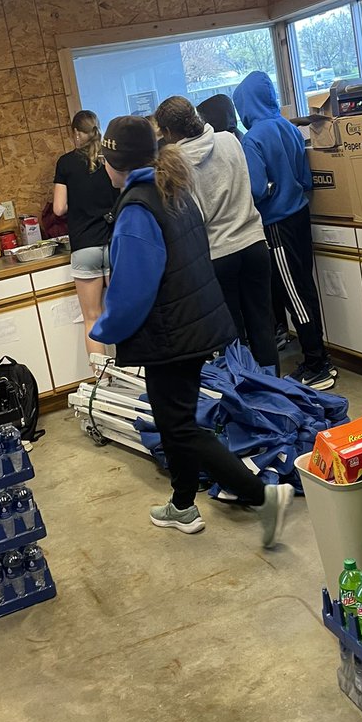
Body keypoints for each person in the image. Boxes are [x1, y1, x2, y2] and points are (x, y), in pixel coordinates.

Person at [90, 116, 294, 545]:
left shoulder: (137, 208)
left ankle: (263, 497)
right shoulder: (173, 188)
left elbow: (132, 289)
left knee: (179, 427)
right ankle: (182, 504)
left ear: (115, 163)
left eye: (104, 160)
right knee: (174, 420)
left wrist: (104, 329)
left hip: (170, 334)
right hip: (194, 322)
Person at [154, 96, 277, 371]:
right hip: (254, 243)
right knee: (262, 324)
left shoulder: (177, 162)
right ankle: (274, 388)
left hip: (218, 254)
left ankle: (244, 391)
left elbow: (191, 218)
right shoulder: (230, 140)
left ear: (169, 132)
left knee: (231, 336)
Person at [232, 71, 336, 391]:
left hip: (276, 223)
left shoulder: (253, 139)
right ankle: (319, 358)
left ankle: (317, 365)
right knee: (304, 287)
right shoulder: (289, 128)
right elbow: (306, 180)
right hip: (301, 216)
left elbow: (255, 189)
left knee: (295, 296)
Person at [52, 111, 116, 357]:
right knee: (121, 312)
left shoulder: (66, 163)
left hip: (85, 245)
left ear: (77, 134)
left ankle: (102, 377)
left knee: (92, 318)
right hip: (113, 243)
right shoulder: (110, 159)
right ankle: (133, 373)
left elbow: (59, 208)